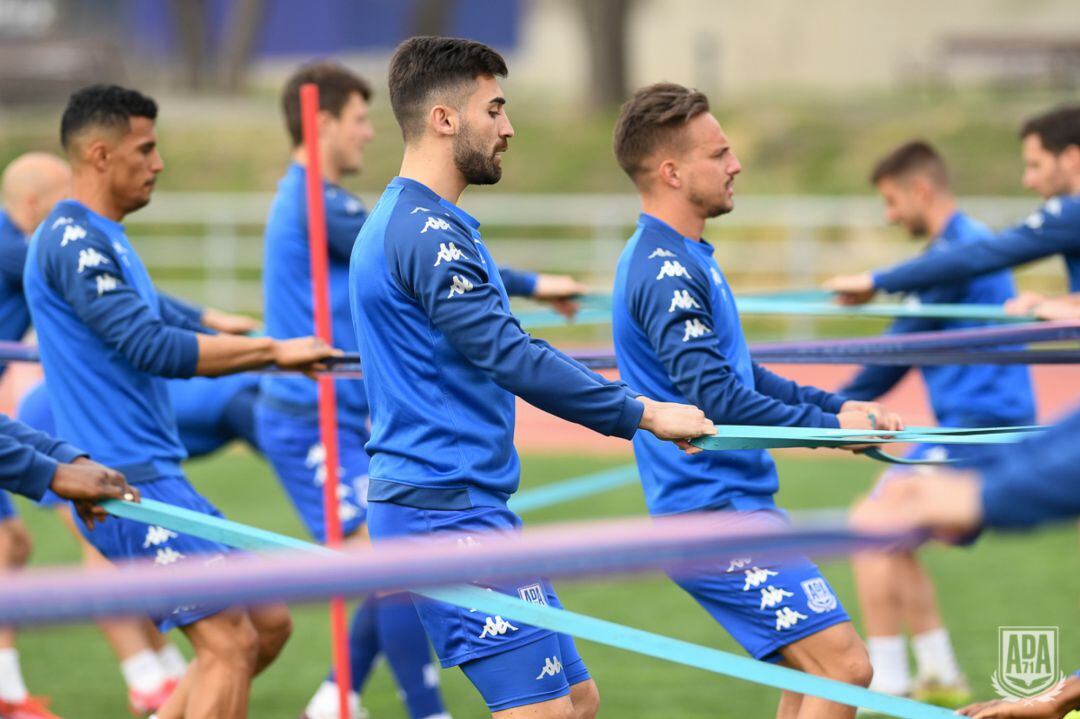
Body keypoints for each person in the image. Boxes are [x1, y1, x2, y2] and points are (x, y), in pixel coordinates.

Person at [350, 37, 715, 718]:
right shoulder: (425, 230)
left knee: (577, 700)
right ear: (444, 119)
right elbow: (509, 354)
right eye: (495, 108)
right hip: (442, 513)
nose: (509, 127)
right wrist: (642, 412)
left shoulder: (430, 224)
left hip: (471, 505)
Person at [22, 83, 335, 719]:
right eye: (147, 148)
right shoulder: (72, 240)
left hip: (160, 477)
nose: (159, 163)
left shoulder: (102, 236)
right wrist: (272, 350)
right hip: (125, 485)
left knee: (268, 624)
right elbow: (147, 342)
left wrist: (216, 320)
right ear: (102, 155)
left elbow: (151, 307)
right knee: (229, 643)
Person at [608, 82, 907, 719]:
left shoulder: (685, 256)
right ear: (671, 171)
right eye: (718, 154)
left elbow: (743, 376)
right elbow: (719, 397)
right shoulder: (663, 268)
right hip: (711, 516)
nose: (735, 164)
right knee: (848, 670)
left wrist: (838, 412)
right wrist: (831, 432)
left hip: (737, 506)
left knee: (812, 682)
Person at [838, 141, 1037, 705]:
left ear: (921, 190)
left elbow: (896, 348)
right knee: (895, 534)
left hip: (978, 433)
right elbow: (903, 340)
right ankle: (939, 675)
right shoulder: (957, 248)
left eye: (891, 200)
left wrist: (824, 410)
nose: (889, 214)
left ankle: (893, 686)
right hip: (967, 428)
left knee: (871, 523)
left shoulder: (959, 252)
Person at [826, 105, 1080, 305]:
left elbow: (980, 255)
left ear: (1071, 158)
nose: (1027, 180)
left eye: (1036, 165)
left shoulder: (1071, 213)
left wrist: (877, 280)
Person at [0, 151, 72, 719]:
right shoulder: (14, 246)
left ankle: (8, 691)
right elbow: (72, 285)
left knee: (13, 546)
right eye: (60, 203)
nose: (70, 215)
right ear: (30, 205)